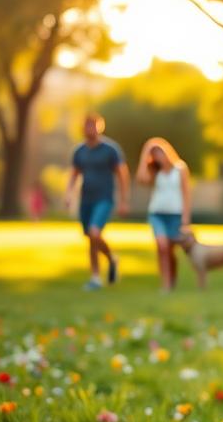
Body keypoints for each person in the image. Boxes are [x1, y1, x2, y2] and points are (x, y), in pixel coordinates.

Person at [64, 113, 129, 290]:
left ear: (100, 127)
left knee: (94, 232)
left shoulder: (110, 150)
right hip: (86, 199)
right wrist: (69, 194)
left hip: (104, 198)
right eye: (87, 125)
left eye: (93, 125)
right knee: (91, 238)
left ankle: (100, 271)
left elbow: (122, 174)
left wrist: (124, 200)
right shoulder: (79, 151)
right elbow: (74, 174)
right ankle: (103, 268)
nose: (90, 129)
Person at [136, 137, 191, 292]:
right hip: (157, 213)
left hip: (175, 215)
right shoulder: (155, 171)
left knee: (170, 250)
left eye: (159, 152)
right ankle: (165, 284)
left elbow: (186, 193)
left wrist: (186, 218)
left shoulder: (180, 168)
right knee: (162, 246)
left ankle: (172, 279)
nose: (157, 156)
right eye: (153, 154)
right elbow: (141, 179)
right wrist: (145, 154)